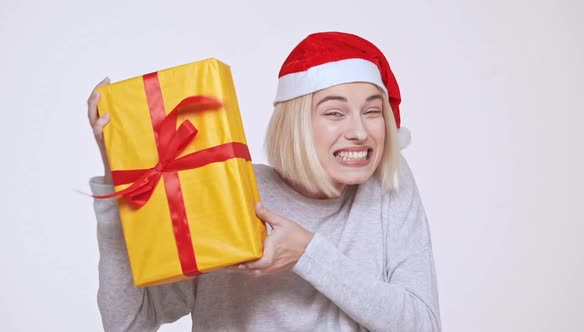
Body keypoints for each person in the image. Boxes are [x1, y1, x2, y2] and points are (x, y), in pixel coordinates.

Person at [88, 31, 441, 331]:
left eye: (372, 111)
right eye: (335, 113)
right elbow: (129, 323)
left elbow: (422, 325)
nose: (360, 132)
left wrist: (306, 252)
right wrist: (115, 181)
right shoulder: (227, 188)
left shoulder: (388, 185)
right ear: (296, 124)